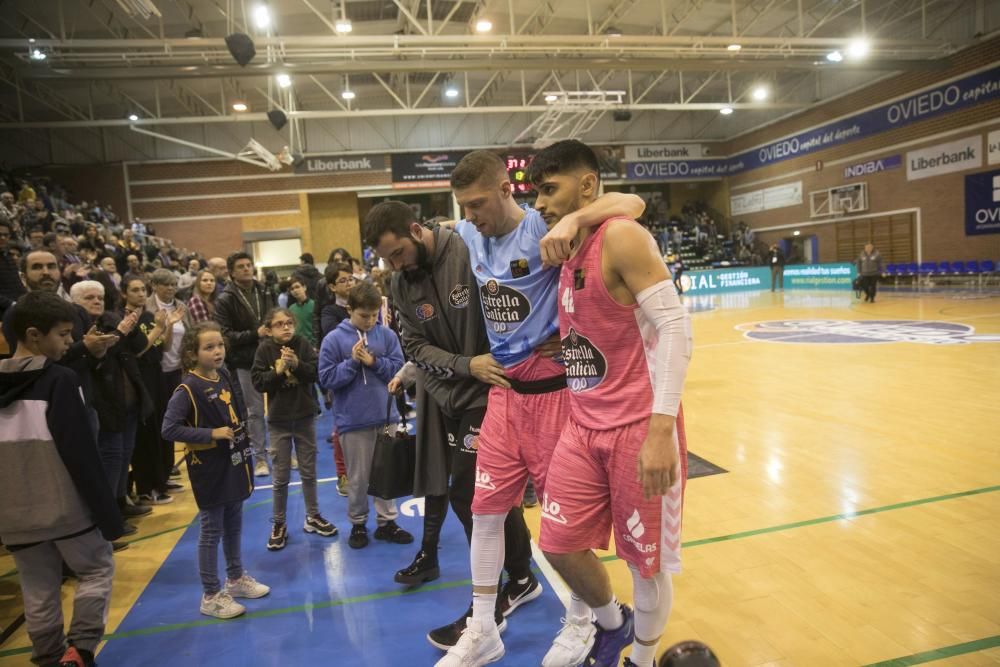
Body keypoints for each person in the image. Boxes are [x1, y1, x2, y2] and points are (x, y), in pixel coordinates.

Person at [435, 150, 645, 666]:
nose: (471, 215)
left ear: (508, 190)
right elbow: (425, 236)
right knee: (484, 511)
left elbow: (633, 201)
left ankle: (581, 625)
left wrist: (576, 215)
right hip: (504, 395)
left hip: (555, 394)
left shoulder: (545, 231)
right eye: (463, 206)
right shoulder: (466, 235)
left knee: (563, 524)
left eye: (478, 203)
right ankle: (483, 628)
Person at [532, 140, 691, 667]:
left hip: (636, 427)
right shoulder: (565, 245)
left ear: (585, 185)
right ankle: (611, 625)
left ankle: (641, 660)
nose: (539, 204)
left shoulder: (620, 236)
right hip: (583, 425)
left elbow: (675, 328)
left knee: (645, 565)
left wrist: (661, 431)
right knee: (556, 541)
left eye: (550, 190)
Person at [365, 204, 536, 651]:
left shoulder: (467, 247)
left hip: (495, 393)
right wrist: (465, 365)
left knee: (470, 492)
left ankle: (497, 598)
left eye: (399, 253)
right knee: (476, 493)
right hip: (451, 397)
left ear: (417, 230)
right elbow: (415, 347)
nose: (395, 265)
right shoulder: (402, 283)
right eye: (387, 259)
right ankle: (520, 576)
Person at [0, 291, 122, 667]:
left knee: (37, 587)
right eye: (64, 334)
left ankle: (49, 655)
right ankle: (81, 649)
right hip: (66, 508)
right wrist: (107, 513)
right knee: (97, 568)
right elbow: (81, 451)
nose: (70, 342)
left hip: (15, 516)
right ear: (34, 335)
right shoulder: (60, 380)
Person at [161, 321, 271, 619]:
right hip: (208, 468)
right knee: (211, 530)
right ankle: (210, 594)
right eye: (209, 347)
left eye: (220, 345)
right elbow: (168, 429)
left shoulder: (222, 374)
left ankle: (235, 578)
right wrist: (209, 434)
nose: (217, 351)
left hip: (233, 461)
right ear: (192, 353)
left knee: (234, 522)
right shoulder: (187, 388)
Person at [318, 282, 412, 549]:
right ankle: (358, 523)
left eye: (374, 315)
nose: (370, 321)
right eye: (364, 315)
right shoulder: (334, 340)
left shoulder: (387, 336)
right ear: (349, 309)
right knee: (358, 478)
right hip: (353, 420)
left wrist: (374, 363)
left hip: (386, 417)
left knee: (388, 474)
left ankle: (388, 522)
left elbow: (398, 370)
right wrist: (352, 363)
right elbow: (326, 378)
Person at [251, 307, 336, 551]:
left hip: (304, 417)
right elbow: (258, 383)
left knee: (309, 472)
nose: (286, 327)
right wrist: (278, 371)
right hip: (278, 421)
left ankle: (313, 515)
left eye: (289, 322)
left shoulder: (302, 344)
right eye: (279, 324)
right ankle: (279, 523)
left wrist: (296, 364)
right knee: (280, 477)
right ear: (268, 329)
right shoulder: (264, 350)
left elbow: (314, 373)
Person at [214, 252, 274, 477]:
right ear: (231, 272)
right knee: (255, 412)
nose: (247, 269)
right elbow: (225, 335)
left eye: (249, 265)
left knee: (279, 406)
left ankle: (281, 451)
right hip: (245, 361)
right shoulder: (225, 298)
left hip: (271, 354)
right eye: (241, 266)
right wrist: (253, 334)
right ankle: (259, 458)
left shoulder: (264, 289)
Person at [146, 269, 192, 495]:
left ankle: (167, 472)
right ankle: (157, 478)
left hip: (178, 371)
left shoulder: (181, 306)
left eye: (174, 284)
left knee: (176, 421)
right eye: (166, 284)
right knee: (160, 425)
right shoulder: (147, 308)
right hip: (156, 373)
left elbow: (191, 335)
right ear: (154, 285)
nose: (171, 288)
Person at [287, 277, 316, 348]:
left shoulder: (314, 305)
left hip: (312, 346)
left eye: (297, 287)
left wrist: (316, 345)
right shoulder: (291, 308)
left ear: (304, 287)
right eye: (292, 289)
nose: (295, 290)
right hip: (296, 345)